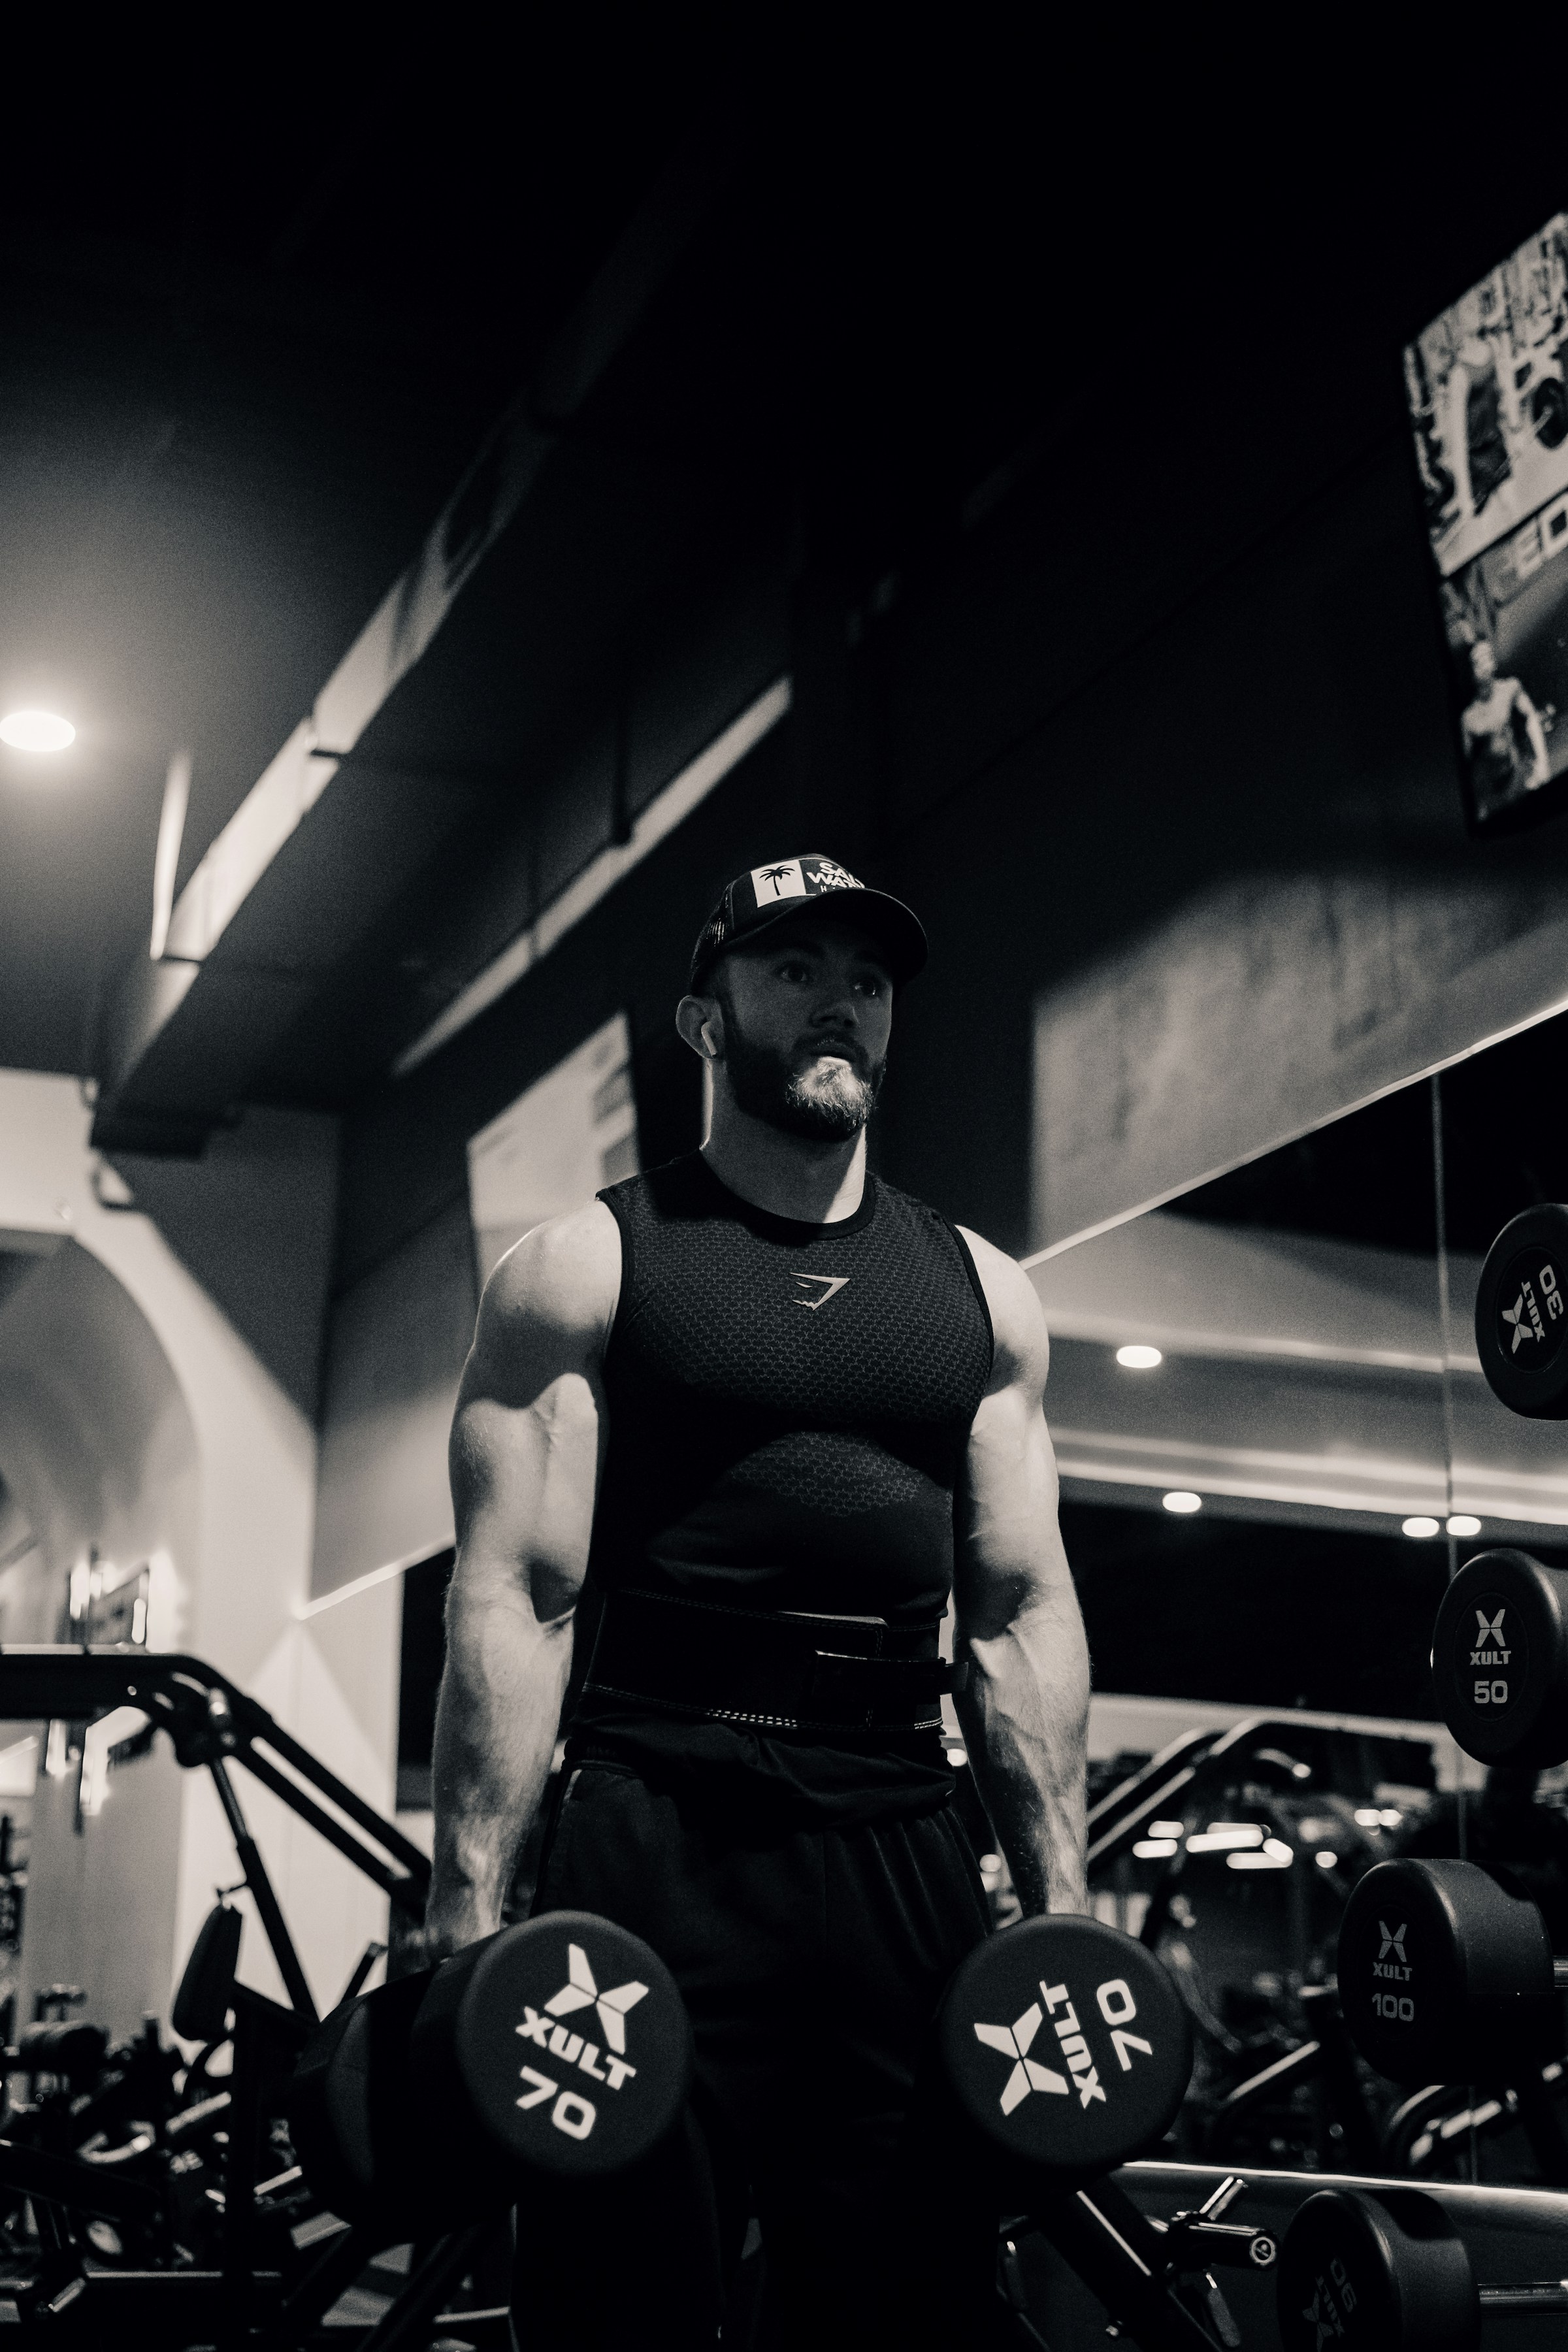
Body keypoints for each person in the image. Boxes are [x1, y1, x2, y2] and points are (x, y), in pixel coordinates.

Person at [425, 851, 1090, 2348]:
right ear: (702, 1021)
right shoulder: (585, 1266)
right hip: (656, 1830)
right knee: (616, 2305)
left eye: (863, 979)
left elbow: (1014, 1607)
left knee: (909, 2303)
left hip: (895, 1843)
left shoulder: (982, 1293)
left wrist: (1063, 1906)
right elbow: (516, 1594)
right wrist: (462, 1907)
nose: (838, 1003)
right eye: (793, 971)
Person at [1460, 636, 1550, 817]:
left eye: (1489, 656)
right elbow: (1467, 766)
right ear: (1470, 669)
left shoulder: (1510, 688)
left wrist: (1543, 761)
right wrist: (1478, 805)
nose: (1486, 664)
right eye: (1479, 660)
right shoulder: (1468, 719)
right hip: (1492, 794)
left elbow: (1531, 718)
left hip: (1519, 775)